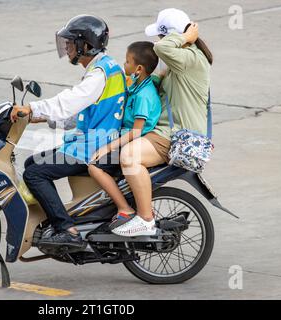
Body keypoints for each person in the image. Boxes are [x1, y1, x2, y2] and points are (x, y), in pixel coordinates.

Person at [10, 15, 127, 247]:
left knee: (35, 174)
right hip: (92, 142)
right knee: (32, 163)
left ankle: (67, 229)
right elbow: (80, 112)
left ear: (86, 45)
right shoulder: (104, 67)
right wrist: (38, 117)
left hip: (96, 147)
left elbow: (69, 102)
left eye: (71, 42)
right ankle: (53, 218)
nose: (67, 47)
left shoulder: (99, 74)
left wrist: (32, 107)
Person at [111, 8, 213, 237]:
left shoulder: (189, 57)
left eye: (161, 35)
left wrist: (186, 36)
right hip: (165, 131)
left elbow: (160, 48)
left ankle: (145, 218)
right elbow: (158, 79)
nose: (157, 40)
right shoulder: (183, 60)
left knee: (129, 156)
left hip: (173, 135)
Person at [88, 41, 161, 235]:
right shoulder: (138, 83)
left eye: (127, 61)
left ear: (138, 68)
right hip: (121, 134)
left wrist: (108, 147)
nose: (124, 65)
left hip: (134, 139)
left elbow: (135, 132)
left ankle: (125, 209)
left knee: (93, 166)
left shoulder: (144, 95)